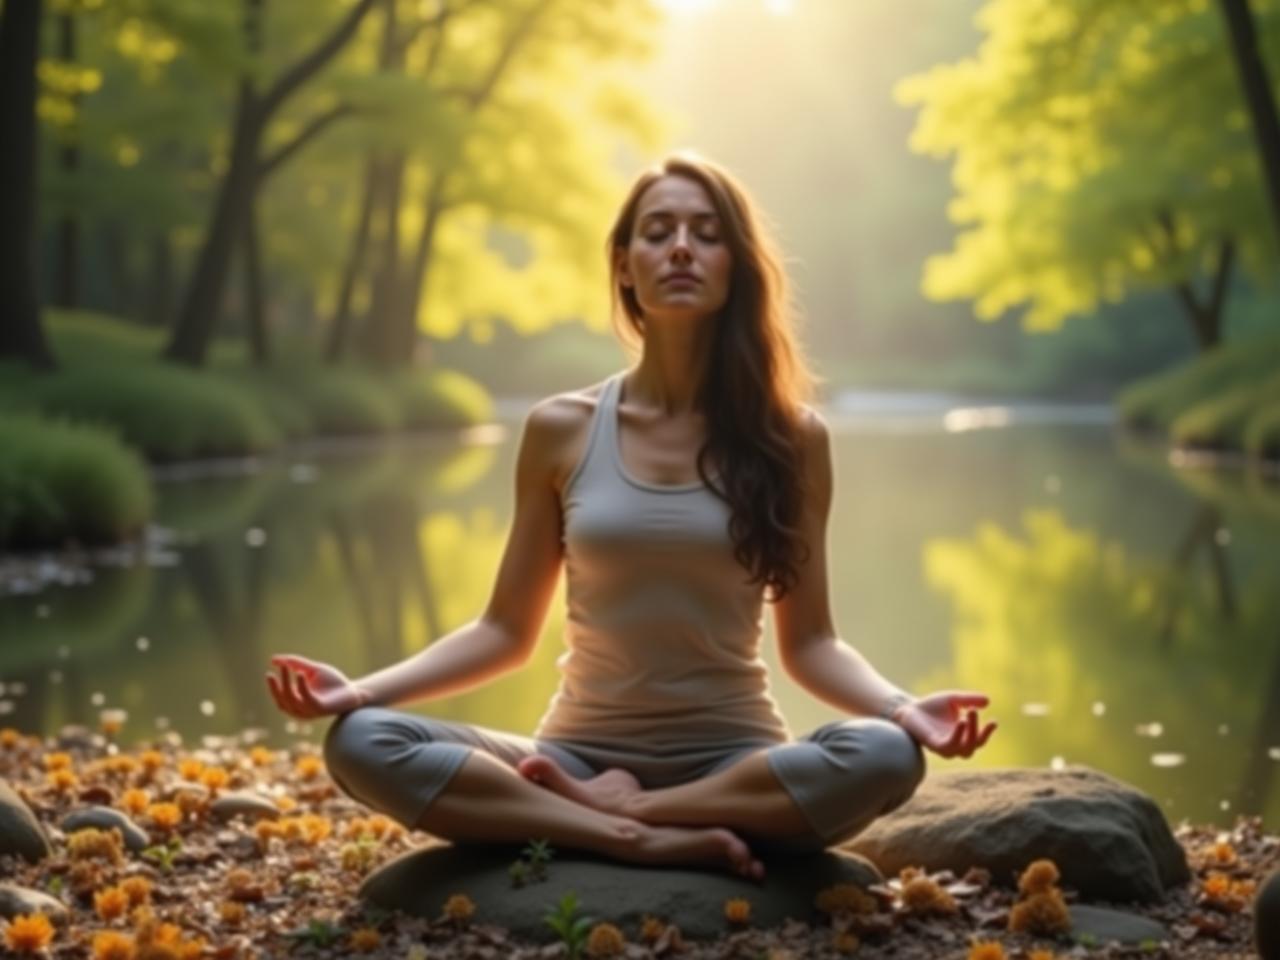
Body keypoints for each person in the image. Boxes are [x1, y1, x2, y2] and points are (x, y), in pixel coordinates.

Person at [266, 153, 997, 882]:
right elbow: (503, 632)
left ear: (736, 266)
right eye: (658, 231)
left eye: (707, 233)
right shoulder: (563, 428)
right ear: (624, 265)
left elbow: (811, 644)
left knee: (886, 755)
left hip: (733, 760)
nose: (681, 247)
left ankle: (618, 817)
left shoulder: (792, 438)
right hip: (572, 755)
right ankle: (636, 840)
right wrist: (361, 691)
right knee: (361, 741)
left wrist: (905, 709)